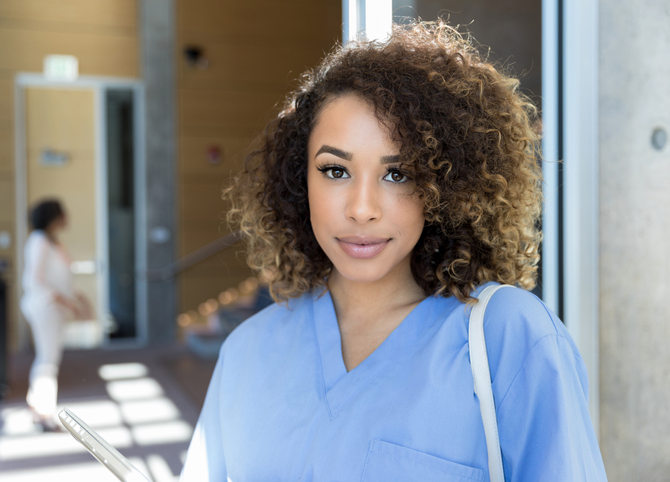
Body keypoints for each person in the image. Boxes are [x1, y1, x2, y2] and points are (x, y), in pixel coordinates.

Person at [180, 21, 607, 480]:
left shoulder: (508, 339)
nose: (362, 209)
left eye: (398, 174)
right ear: (299, 180)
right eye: (335, 171)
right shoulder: (247, 352)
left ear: (444, 187)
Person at [21, 199, 90, 431]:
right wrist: (68, 302)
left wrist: (79, 299)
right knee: (47, 360)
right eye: (63, 213)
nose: (67, 217)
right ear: (53, 216)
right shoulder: (39, 241)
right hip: (45, 308)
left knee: (48, 358)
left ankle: (38, 407)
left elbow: (62, 279)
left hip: (54, 308)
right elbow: (35, 281)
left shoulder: (52, 242)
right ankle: (44, 413)